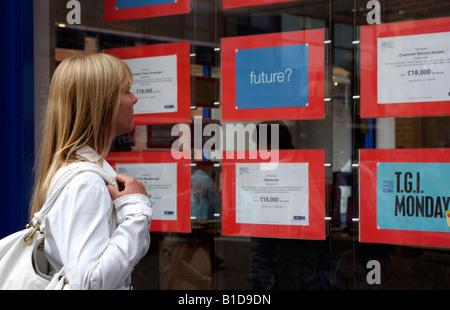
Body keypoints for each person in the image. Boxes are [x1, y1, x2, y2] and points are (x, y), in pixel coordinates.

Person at [29, 53, 153, 290]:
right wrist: (137, 211)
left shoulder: (77, 172)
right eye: (126, 91)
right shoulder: (86, 182)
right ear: (102, 104)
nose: (135, 98)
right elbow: (89, 283)